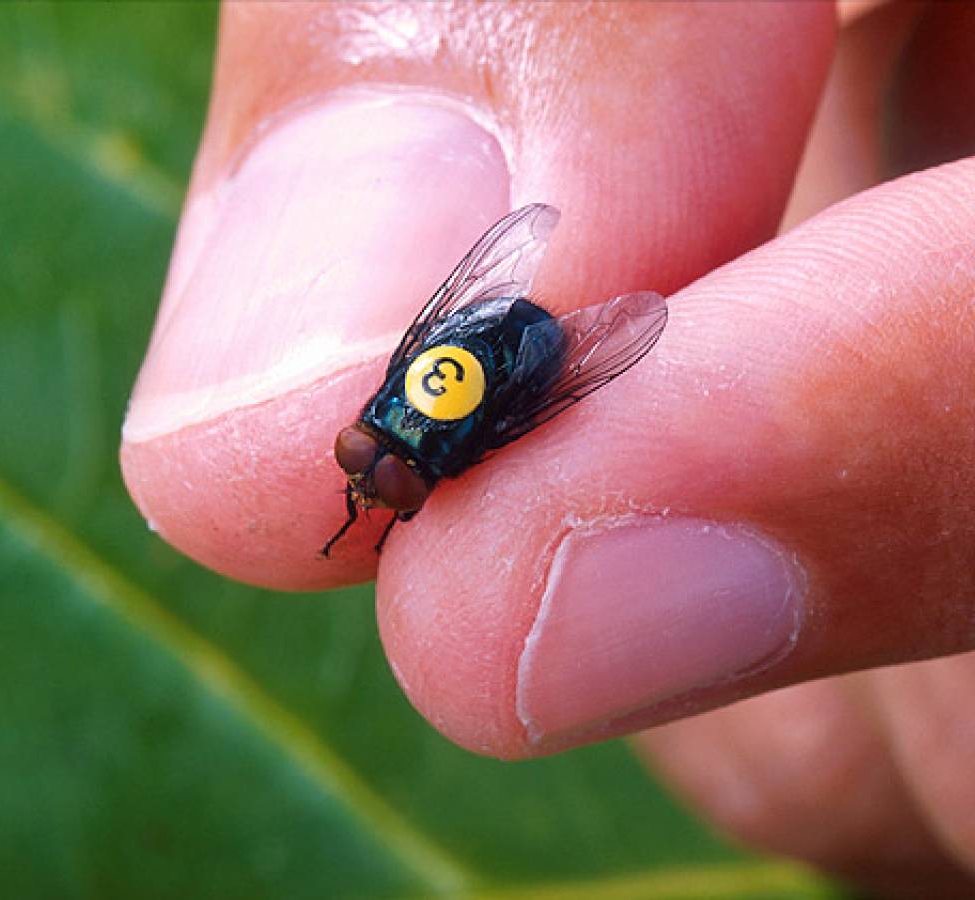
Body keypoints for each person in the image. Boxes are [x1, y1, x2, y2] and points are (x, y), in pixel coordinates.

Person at [120, 3, 975, 895]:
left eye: (377, 480)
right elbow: (450, 314)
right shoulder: (395, 430)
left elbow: (517, 375)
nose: (374, 489)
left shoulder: (409, 441)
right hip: (493, 339)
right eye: (383, 483)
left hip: (533, 354)